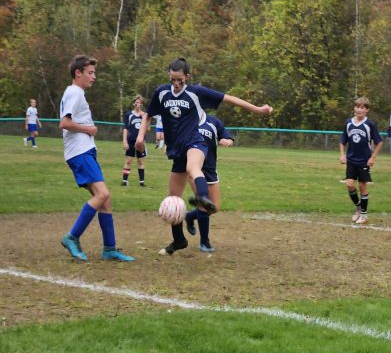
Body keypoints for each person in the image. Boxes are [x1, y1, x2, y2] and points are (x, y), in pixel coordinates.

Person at [135, 57, 273, 255]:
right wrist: (140, 138)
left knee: (194, 168)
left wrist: (258, 110)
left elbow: (228, 98)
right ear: (168, 76)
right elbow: (149, 114)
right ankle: (179, 240)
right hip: (176, 150)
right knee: (173, 199)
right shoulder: (162, 92)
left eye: (180, 80)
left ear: (187, 77)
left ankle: (202, 198)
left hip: (195, 141)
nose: (176, 84)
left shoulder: (195, 93)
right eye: (173, 79)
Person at [59, 55, 135, 262]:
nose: (94, 77)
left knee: (105, 199)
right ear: (78, 73)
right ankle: (72, 237)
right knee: (102, 195)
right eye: (90, 73)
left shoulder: (76, 92)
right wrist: (90, 129)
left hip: (84, 152)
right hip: (80, 152)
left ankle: (109, 249)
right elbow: (64, 123)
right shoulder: (74, 92)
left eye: (94, 72)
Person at [184, 114, 234, 252]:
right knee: (204, 206)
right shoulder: (187, 119)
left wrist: (227, 141)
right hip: (195, 169)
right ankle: (204, 243)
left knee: (214, 207)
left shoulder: (213, 122)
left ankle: (190, 216)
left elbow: (228, 137)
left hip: (211, 170)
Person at [340, 97, 383, 225]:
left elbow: (379, 142)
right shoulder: (348, 123)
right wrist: (342, 155)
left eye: (362, 107)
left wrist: (373, 157)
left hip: (364, 160)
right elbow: (343, 141)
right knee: (349, 184)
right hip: (351, 159)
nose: (359, 109)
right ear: (354, 108)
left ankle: (364, 215)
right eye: (357, 107)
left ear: (367, 110)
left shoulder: (370, 124)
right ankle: (358, 207)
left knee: (362, 185)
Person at [121, 95, 148, 187]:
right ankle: (124, 181)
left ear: (142, 105)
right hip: (131, 141)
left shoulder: (144, 115)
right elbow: (125, 128)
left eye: (140, 103)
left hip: (140, 142)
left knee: (140, 161)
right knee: (128, 161)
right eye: (136, 102)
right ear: (133, 103)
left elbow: (148, 129)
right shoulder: (129, 114)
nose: (138, 104)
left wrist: (143, 117)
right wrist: (125, 141)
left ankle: (142, 183)